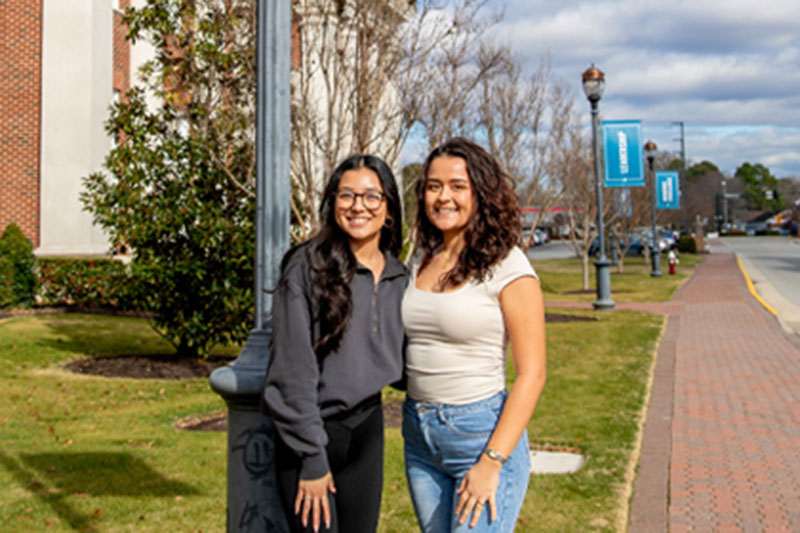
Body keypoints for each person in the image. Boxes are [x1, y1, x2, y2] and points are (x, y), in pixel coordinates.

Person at [401, 138, 547, 532]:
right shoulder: (421, 259)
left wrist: (492, 461)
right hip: (419, 434)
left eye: (456, 186)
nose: (443, 197)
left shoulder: (507, 265)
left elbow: (532, 374)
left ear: (480, 194)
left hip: (480, 434)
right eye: (433, 186)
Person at [262, 154, 406, 533]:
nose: (358, 206)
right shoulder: (307, 268)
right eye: (347, 195)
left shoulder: (399, 277)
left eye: (371, 196)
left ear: (388, 208)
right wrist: (311, 457)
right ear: (333, 202)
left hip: (367, 431)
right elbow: (291, 373)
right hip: (311, 437)